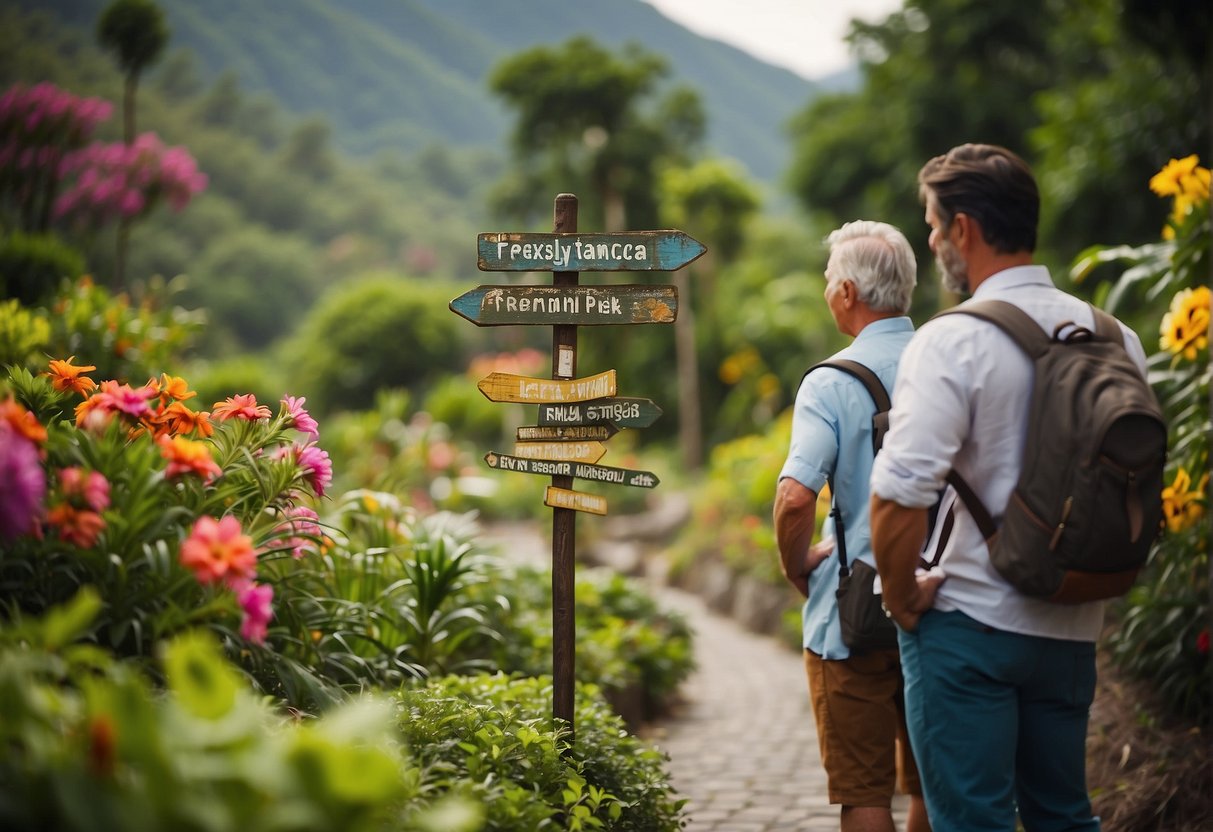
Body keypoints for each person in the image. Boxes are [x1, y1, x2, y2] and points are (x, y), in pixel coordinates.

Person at [869, 143, 1148, 832]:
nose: (931, 242)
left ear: (963, 228)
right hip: (1072, 620)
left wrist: (902, 600)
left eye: (933, 227)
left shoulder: (951, 340)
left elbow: (898, 495)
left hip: (968, 625)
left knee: (972, 819)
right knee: (1063, 814)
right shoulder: (1117, 337)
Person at [774, 220, 930, 832]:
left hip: (855, 612)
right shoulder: (951, 359)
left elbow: (794, 499)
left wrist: (794, 565)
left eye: (825, 281)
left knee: (865, 792)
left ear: (846, 292)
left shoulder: (832, 382)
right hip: (943, 597)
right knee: (931, 784)